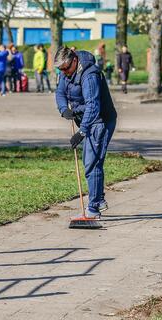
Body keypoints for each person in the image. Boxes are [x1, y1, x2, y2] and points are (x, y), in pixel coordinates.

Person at [54, 46, 117, 219]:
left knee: (91, 161)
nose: (64, 73)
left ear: (74, 60)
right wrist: (63, 109)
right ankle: (100, 199)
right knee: (91, 160)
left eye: (66, 68)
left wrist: (82, 132)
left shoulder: (90, 75)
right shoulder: (65, 72)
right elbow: (60, 92)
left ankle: (93, 208)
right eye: (60, 70)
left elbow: (93, 105)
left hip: (100, 120)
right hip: (86, 120)